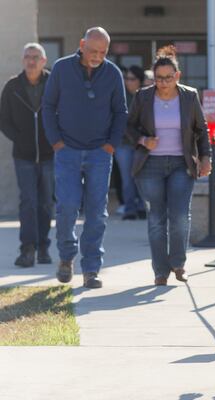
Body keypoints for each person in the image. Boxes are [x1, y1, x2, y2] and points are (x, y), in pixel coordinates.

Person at [42, 27, 128, 289]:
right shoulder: (61, 68)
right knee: (67, 206)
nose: (97, 56)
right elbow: (48, 105)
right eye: (93, 51)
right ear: (81, 44)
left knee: (96, 213)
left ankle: (91, 269)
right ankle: (67, 257)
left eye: (103, 52)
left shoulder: (113, 73)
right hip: (67, 151)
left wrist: (111, 145)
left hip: (99, 154)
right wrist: (56, 142)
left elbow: (121, 112)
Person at [127, 46, 211, 286]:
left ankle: (179, 263)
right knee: (156, 218)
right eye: (159, 78)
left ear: (177, 76)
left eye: (168, 78)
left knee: (180, 216)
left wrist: (206, 157)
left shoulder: (188, 96)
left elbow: (201, 129)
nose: (163, 83)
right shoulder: (142, 97)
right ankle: (160, 271)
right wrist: (144, 140)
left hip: (180, 164)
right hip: (150, 165)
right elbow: (128, 127)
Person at [0, 43, 54, 267]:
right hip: (23, 155)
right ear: (23, 60)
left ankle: (43, 247)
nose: (31, 61)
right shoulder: (12, 86)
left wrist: (56, 138)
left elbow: (63, 112)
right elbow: (3, 119)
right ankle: (28, 249)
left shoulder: (53, 83)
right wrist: (19, 138)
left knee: (46, 203)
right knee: (28, 201)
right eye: (27, 57)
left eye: (35, 57)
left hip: (50, 153)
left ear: (43, 60)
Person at [116, 65, 146, 220]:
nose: (128, 82)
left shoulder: (145, 96)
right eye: (126, 78)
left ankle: (142, 207)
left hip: (142, 144)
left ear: (139, 80)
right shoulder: (120, 96)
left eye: (132, 79)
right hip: (123, 143)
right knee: (127, 178)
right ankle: (130, 209)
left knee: (141, 177)